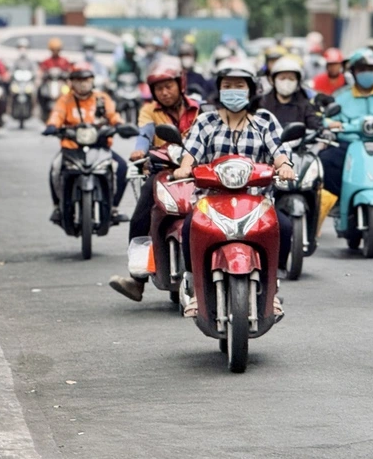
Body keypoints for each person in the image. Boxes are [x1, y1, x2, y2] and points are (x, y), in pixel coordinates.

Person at [172, 61, 298, 318]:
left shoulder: (264, 121)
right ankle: (194, 286)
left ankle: (272, 287)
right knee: (188, 227)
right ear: (219, 90)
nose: (233, 91)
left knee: (284, 227)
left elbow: (279, 151)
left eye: (239, 86)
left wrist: (284, 166)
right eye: (227, 86)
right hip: (210, 201)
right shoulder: (206, 121)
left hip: (257, 201)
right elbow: (191, 153)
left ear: (251, 90)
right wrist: (185, 168)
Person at [108, 64, 203, 301]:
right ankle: (137, 281)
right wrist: (139, 152)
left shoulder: (199, 108)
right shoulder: (149, 110)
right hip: (161, 172)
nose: (164, 92)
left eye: (168, 86)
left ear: (180, 85)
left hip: (196, 172)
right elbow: (144, 134)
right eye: (158, 88)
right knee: (140, 216)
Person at [42, 63, 128, 224]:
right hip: (72, 147)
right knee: (55, 168)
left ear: (92, 81)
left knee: (122, 167)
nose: (82, 83)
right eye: (78, 80)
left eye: (86, 79)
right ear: (71, 82)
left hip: (100, 146)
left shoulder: (102, 98)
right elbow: (57, 115)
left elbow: (113, 115)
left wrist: (120, 125)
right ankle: (57, 207)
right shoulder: (65, 100)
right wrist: (52, 126)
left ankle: (113, 207)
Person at [319, 49, 373, 199]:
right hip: (349, 145)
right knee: (326, 160)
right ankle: (340, 200)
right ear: (353, 72)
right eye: (362, 69)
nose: (366, 73)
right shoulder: (340, 97)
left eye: (371, 69)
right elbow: (326, 118)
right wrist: (331, 124)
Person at [258, 57, 321, 132]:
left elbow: (314, 124)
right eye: (282, 78)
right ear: (273, 80)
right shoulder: (263, 103)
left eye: (291, 79)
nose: (286, 82)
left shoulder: (305, 104)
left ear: (297, 82)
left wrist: (324, 131)